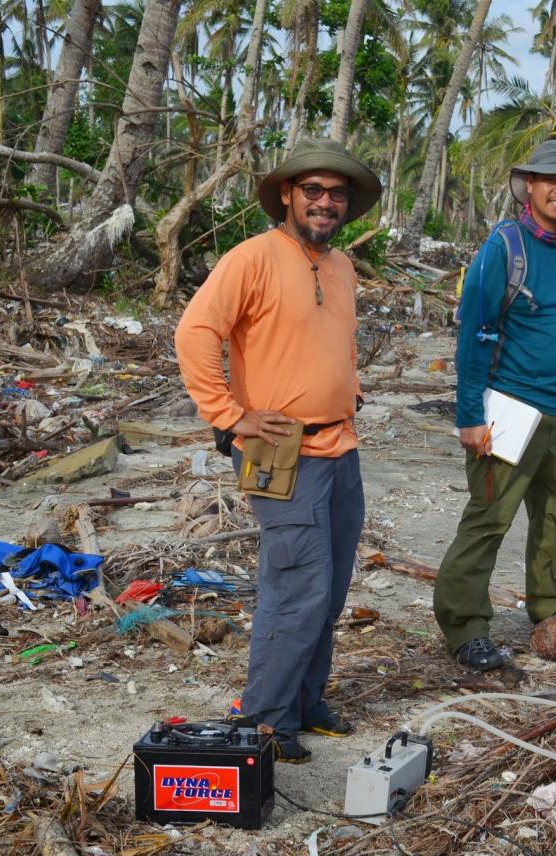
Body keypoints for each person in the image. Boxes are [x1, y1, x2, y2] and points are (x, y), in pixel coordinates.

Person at [174, 138, 381, 764]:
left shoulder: (341, 265)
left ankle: (305, 700)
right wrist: (230, 416)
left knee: (333, 583)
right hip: (278, 448)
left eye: (336, 194)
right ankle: (267, 720)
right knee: (297, 582)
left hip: (340, 444)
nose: (325, 202)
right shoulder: (253, 258)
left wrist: (350, 384)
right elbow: (195, 333)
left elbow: (333, 341)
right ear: (287, 196)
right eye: (312, 190)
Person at [433, 140, 556, 671]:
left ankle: (553, 610)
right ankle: (465, 628)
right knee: (489, 519)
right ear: (528, 186)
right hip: (507, 411)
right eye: (552, 179)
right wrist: (468, 415)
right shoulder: (502, 248)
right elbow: (473, 337)